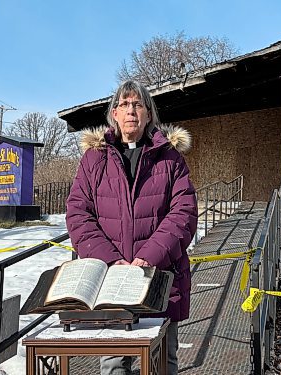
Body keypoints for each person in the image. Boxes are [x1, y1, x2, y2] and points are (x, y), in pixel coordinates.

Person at [66, 80, 198, 375]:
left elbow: (184, 212)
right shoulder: (93, 160)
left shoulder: (170, 159)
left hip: (160, 278)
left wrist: (148, 257)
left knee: (163, 361)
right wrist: (111, 261)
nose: (131, 111)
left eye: (138, 105)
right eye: (124, 105)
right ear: (114, 113)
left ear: (149, 114)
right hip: (111, 281)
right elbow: (78, 214)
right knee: (114, 363)